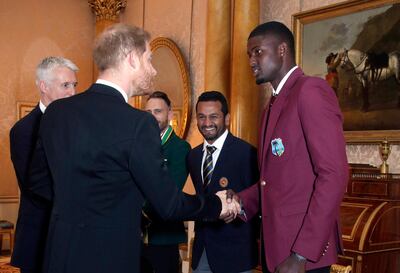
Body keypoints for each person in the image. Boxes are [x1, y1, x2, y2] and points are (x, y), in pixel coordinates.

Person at [27, 24, 236, 273]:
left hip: (58, 255)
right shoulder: (138, 123)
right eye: (149, 59)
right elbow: (168, 205)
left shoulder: (56, 113)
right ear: (132, 58)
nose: (154, 69)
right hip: (110, 259)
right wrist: (216, 204)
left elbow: (37, 183)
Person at [226, 21, 348, 273]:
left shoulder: (310, 90)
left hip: (302, 257)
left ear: (282, 50)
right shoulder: (272, 106)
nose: (251, 61)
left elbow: (333, 174)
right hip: (277, 251)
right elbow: (273, 181)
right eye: (249, 54)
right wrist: (241, 201)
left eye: (258, 51)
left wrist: (302, 254)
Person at [9, 56, 78, 273]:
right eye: (65, 85)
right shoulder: (23, 130)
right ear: (43, 86)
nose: (72, 92)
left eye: (74, 85)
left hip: (71, 236)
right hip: (39, 234)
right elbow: (34, 188)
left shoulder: (78, 124)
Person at [188, 91, 259, 273]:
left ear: (227, 118)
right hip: (202, 253)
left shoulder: (247, 153)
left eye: (214, 117)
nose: (207, 123)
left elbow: (260, 197)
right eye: (202, 117)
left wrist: (239, 207)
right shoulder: (193, 156)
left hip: (235, 255)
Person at [141, 91, 191, 273]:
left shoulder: (180, 148)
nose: (152, 117)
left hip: (163, 237)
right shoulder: (137, 145)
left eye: (157, 111)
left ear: (169, 114)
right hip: (135, 238)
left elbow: (169, 192)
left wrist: (133, 208)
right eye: (148, 112)